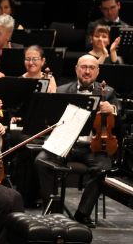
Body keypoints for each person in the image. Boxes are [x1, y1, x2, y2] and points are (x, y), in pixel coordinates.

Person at [35, 55, 120, 226]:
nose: (87, 71)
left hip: (92, 147)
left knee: (104, 168)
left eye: (91, 68)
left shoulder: (108, 92)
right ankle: (54, 211)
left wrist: (113, 109)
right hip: (66, 144)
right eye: (83, 67)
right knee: (41, 161)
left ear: (97, 71)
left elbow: (120, 114)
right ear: (76, 69)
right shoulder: (62, 90)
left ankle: (82, 213)